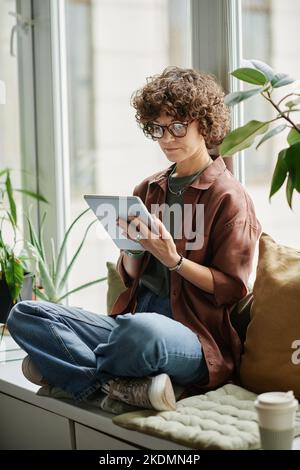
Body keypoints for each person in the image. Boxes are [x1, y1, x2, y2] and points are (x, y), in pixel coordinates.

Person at [7, 66, 261, 412]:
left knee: (138, 333)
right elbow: (129, 277)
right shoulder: (148, 189)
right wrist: (132, 249)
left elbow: (233, 288)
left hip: (194, 339)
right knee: (25, 314)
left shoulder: (229, 197)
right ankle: (113, 386)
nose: (166, 139)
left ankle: (69, 372)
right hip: (130, 322)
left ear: (204, 124)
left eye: (176, 127)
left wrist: (174, 260)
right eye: (157, 129)